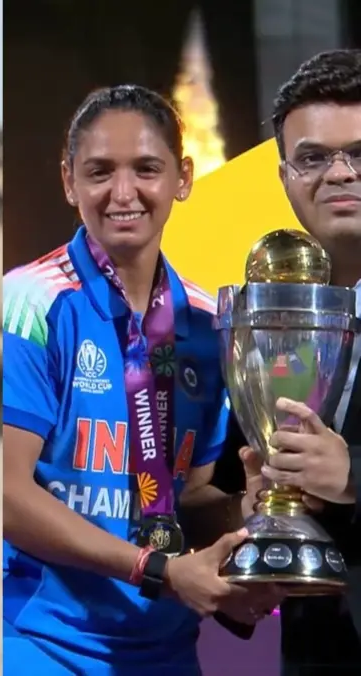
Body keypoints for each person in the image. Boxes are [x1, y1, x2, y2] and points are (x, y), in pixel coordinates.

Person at [2, 84, 285, 675]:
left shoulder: (210, 323)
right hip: (39, 643)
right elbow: (7, 494)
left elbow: (189, 493)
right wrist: (157, 569)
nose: (122, 193)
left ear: (182, 178)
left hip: (165, 647)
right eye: (100, 171)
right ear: (68, 180)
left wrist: (256, 519)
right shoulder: (30, 302)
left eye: (146, 169)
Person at [214, 48, 361, 674]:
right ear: (284, 177)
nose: (340, 173)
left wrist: (353, 476)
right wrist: (258, 513)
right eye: (313, 157)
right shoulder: (267, 329)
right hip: (316, 653)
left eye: (360, 152)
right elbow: (222, 488)